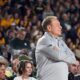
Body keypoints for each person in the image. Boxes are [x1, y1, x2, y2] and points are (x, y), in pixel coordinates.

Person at [35, 16, 79, 80]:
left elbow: (71, 54)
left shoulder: (60, 41)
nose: (60, 27)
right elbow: (58, 56)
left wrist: (71, 60)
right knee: (63, 65)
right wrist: (72, 61)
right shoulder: (43, 40)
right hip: (45, 76)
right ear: (49, 28)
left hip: (58, 75)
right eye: (57, 25)